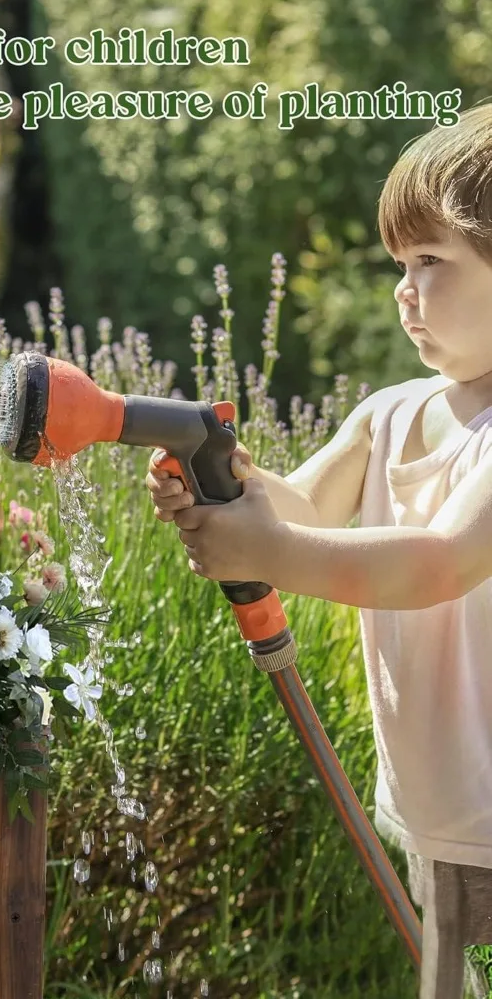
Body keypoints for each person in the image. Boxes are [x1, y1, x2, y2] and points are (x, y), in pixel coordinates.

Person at [146, 101, 492, 999]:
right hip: (440, 810)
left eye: (430, 262)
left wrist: (270, 548)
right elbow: (303, 506)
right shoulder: (390, 415)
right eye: (397, 266)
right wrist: (226, 488)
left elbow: (439, 560)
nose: (404, 290)